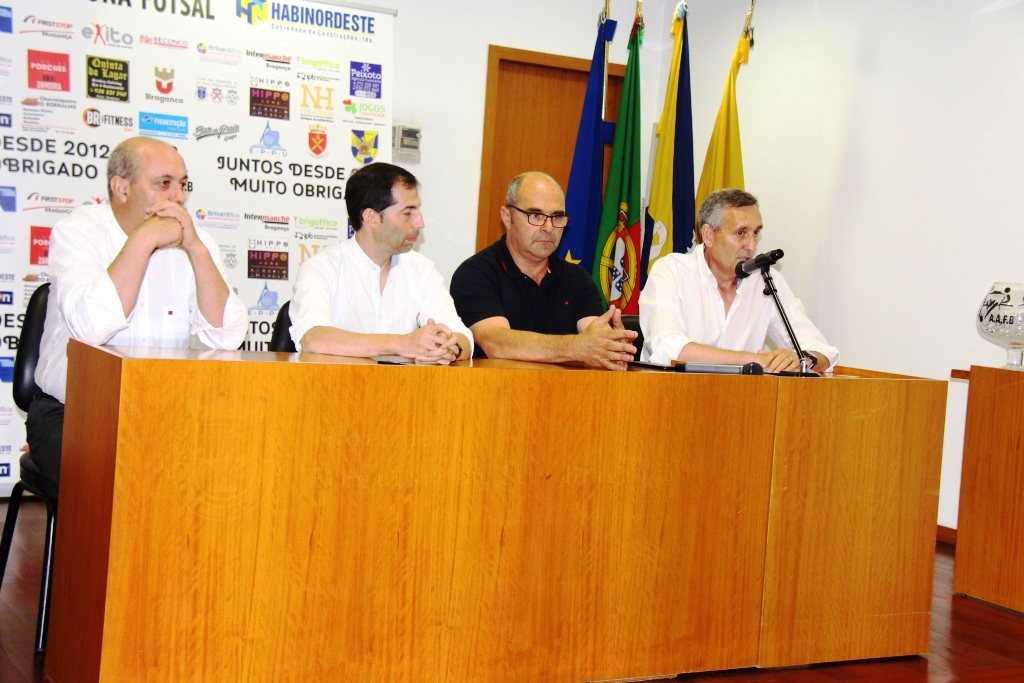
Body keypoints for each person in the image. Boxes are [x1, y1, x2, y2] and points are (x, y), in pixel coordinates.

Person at [30, 136, 248, 490]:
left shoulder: (199, 243)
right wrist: (144, 240)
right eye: (164, 183)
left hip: (163, 410)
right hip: (73, 412)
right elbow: (91, 328)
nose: (178, 196)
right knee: (114, 481)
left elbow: (227, 337)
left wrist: (194, 248)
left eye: (182, 184)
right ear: (121, 187)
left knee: (227, 470)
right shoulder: (78, 232)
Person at [450, 172, 636, 370]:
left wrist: (611, 347)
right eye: (536, 215)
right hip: (495, 393)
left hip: (565, 394)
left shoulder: (577, 279)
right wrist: (576, 347)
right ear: (507, 217)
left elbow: (594, 338)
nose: (548, 227)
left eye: (557, 216)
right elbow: (496, 343)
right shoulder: (475, 274)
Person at [639, 188, 839, 372]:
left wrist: (802, 359)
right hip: (671, 398)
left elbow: (824, 352)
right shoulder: (671, 272)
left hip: (742, 403)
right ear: (708, 235)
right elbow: (669, 350)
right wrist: (753, 361)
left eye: (756, 233)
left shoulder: (766, 281)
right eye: (741, 233)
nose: (751, 245)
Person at [289, 162, 471, 363]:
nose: (420, 222)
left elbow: (461, 336)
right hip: (335, 389)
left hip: (405, 390)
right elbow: (313, 339)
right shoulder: (320, 268)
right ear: (371, 218)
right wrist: (400, 344)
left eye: (417, 210)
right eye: (408, 212)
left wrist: (448, 347)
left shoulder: (423, 269)